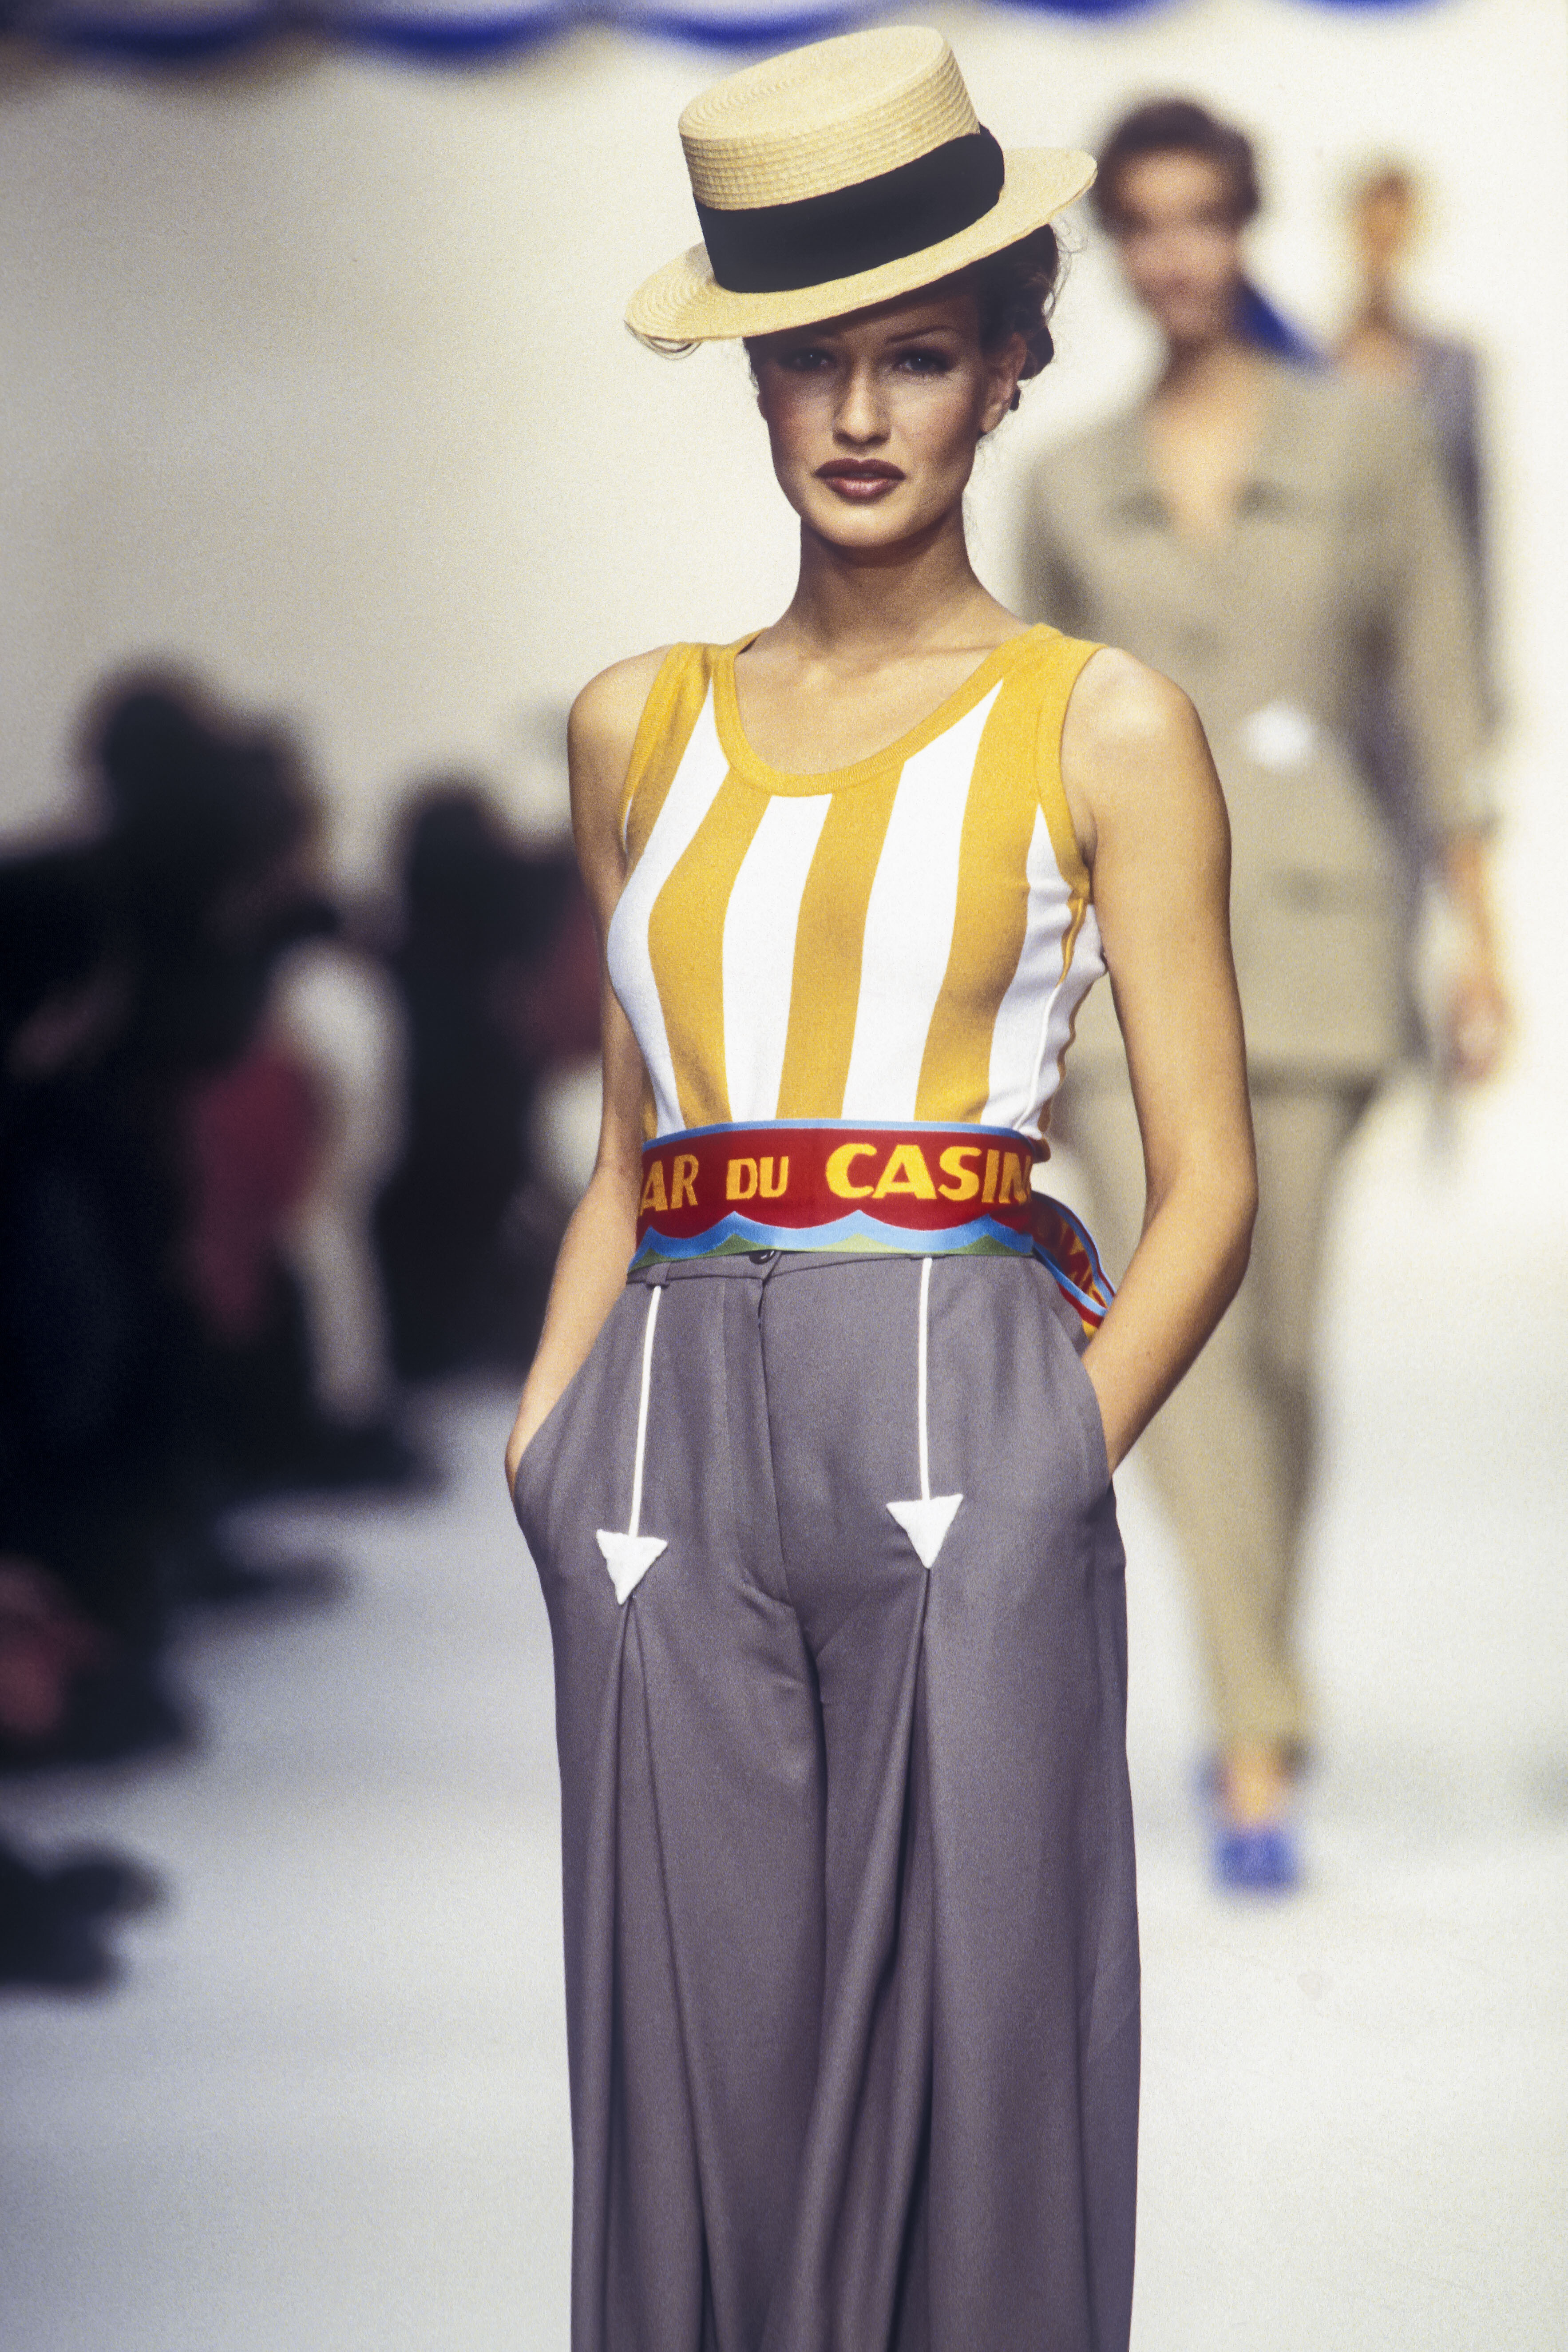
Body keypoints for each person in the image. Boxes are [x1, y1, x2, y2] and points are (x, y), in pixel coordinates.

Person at [506, 31, 1256, 2348]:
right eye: (807, 362)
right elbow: (628, 1145)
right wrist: (544, 1449)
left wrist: (1052, 1464)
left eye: (914, 357)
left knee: (984, 2075)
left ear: (1009, 366)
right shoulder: (632, 724)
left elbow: (1207, 1176)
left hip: (964, 1401)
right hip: (658, 1440)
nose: (856, 417)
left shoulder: (1096, 720)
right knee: (688, 2096)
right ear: (749, 382)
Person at [1023, 99, 1509, 1889]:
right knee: (1174, 1341)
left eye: (1202, 218)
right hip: (1112, 956)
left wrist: (1479, 937)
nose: (1174, 253)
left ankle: (1255, 1686)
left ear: (1245, 228)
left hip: (1310, 928)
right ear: (1117, 250)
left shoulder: (1367, 445)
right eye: (1143, 224)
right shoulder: (1066, 479)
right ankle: (1250, 1730)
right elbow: (1026, 737)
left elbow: (1440, 686)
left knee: (1278, 1343)